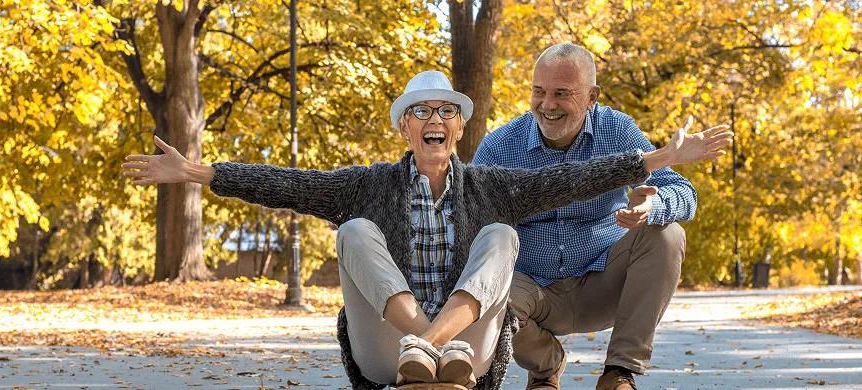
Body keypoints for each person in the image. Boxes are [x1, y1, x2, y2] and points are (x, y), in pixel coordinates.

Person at [123, 70, 731, 389]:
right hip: (391, 351)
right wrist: (198, 172)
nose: (433, 120)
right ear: (404, 130)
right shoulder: (370, 185)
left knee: (501, 237)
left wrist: (657, 161)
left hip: (470, 353)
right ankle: (423, 341)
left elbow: (576, 179)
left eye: (445, 112)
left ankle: (440, 345)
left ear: (459, 130)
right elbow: (287, 183)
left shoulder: (490, 185)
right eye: (421, 113)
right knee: (356, 231)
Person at [472, 43, 706, 390]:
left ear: (592, 96)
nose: (547, 105)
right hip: (532, 289)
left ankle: (619, 372)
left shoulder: (617, 131)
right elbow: (469, 226)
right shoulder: (499, 146)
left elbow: (684, 193)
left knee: (668, 234)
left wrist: (650, 208)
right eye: (539, 92)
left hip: (603, 282)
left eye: (562, 94)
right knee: (481, 294)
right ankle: (546, 367)